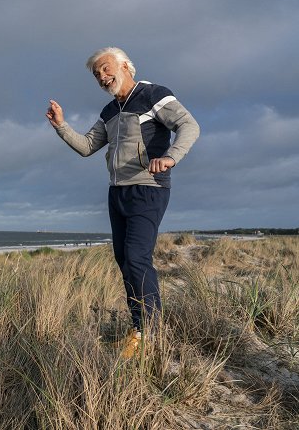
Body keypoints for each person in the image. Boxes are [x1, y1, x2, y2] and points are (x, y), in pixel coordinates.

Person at [46, 47, 199, 357]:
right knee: (126, 262)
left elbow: (189, 126)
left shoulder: (154, 94)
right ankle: (139, 328)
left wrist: (170, 157)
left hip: (148, 188)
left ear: (126, 65)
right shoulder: (109, 111)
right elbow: (88, 146)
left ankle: (149, 334)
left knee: (136, 258)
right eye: (96, 74)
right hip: (117, 192)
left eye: (105, 69)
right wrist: (61, 126)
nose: (102, 76)